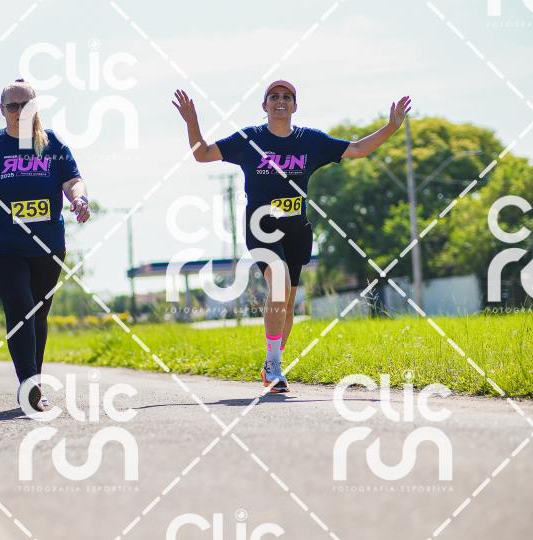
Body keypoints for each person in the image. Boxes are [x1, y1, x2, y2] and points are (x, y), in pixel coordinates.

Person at [173, 80, 411, 393]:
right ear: (265, 106)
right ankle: (274, 366)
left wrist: (391, 127)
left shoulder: (310, 141)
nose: (280, 101)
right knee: (279, 283)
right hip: (261, 225)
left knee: (286, 304)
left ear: (295, 106)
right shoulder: (248, 139)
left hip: (297, 230)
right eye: (274, 96)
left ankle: (272, 363)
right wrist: (192, 122)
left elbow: (357, 149)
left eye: (287, 96)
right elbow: (203, 154)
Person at [0, 79, 90, 414]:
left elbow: (73, 179)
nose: (20, 111)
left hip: (47, 246)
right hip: (0, 247)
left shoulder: (52, 144)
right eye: (13, 106)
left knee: (37, 314)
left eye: (27, 105)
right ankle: (31, 387)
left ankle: (32, 380)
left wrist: (79, 199)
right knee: (21, 307)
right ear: (2, 110)